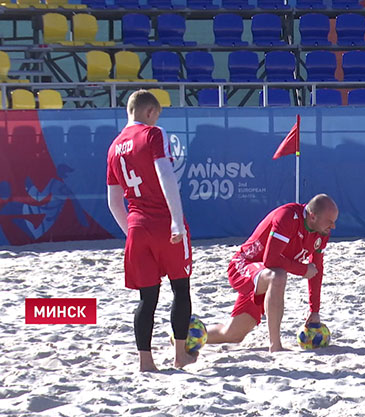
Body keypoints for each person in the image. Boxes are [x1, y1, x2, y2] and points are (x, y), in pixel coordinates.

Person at [106, 89, 196, 372]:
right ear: (149, 112)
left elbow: (113, 201)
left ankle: (146, 361)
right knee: (180, 289)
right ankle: (180, 355)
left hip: (137, 226)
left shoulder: (113, 146)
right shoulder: (153, 133)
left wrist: (131, 231)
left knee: (147, 297)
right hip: (162, 223)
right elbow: (165, 175)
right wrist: (176, 221)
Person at [206, 194, 338, 352]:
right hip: (243, 266)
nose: (333, 227)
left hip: (264, 276)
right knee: (278, 275)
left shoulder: (321, 231)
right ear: (313, 216)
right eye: (329, 222)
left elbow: (317, 270)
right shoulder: (288, 216)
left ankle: (186, 337)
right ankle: (275, 345)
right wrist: (303, 269)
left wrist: (314, 310)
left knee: (233, 334)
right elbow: (271, 260)